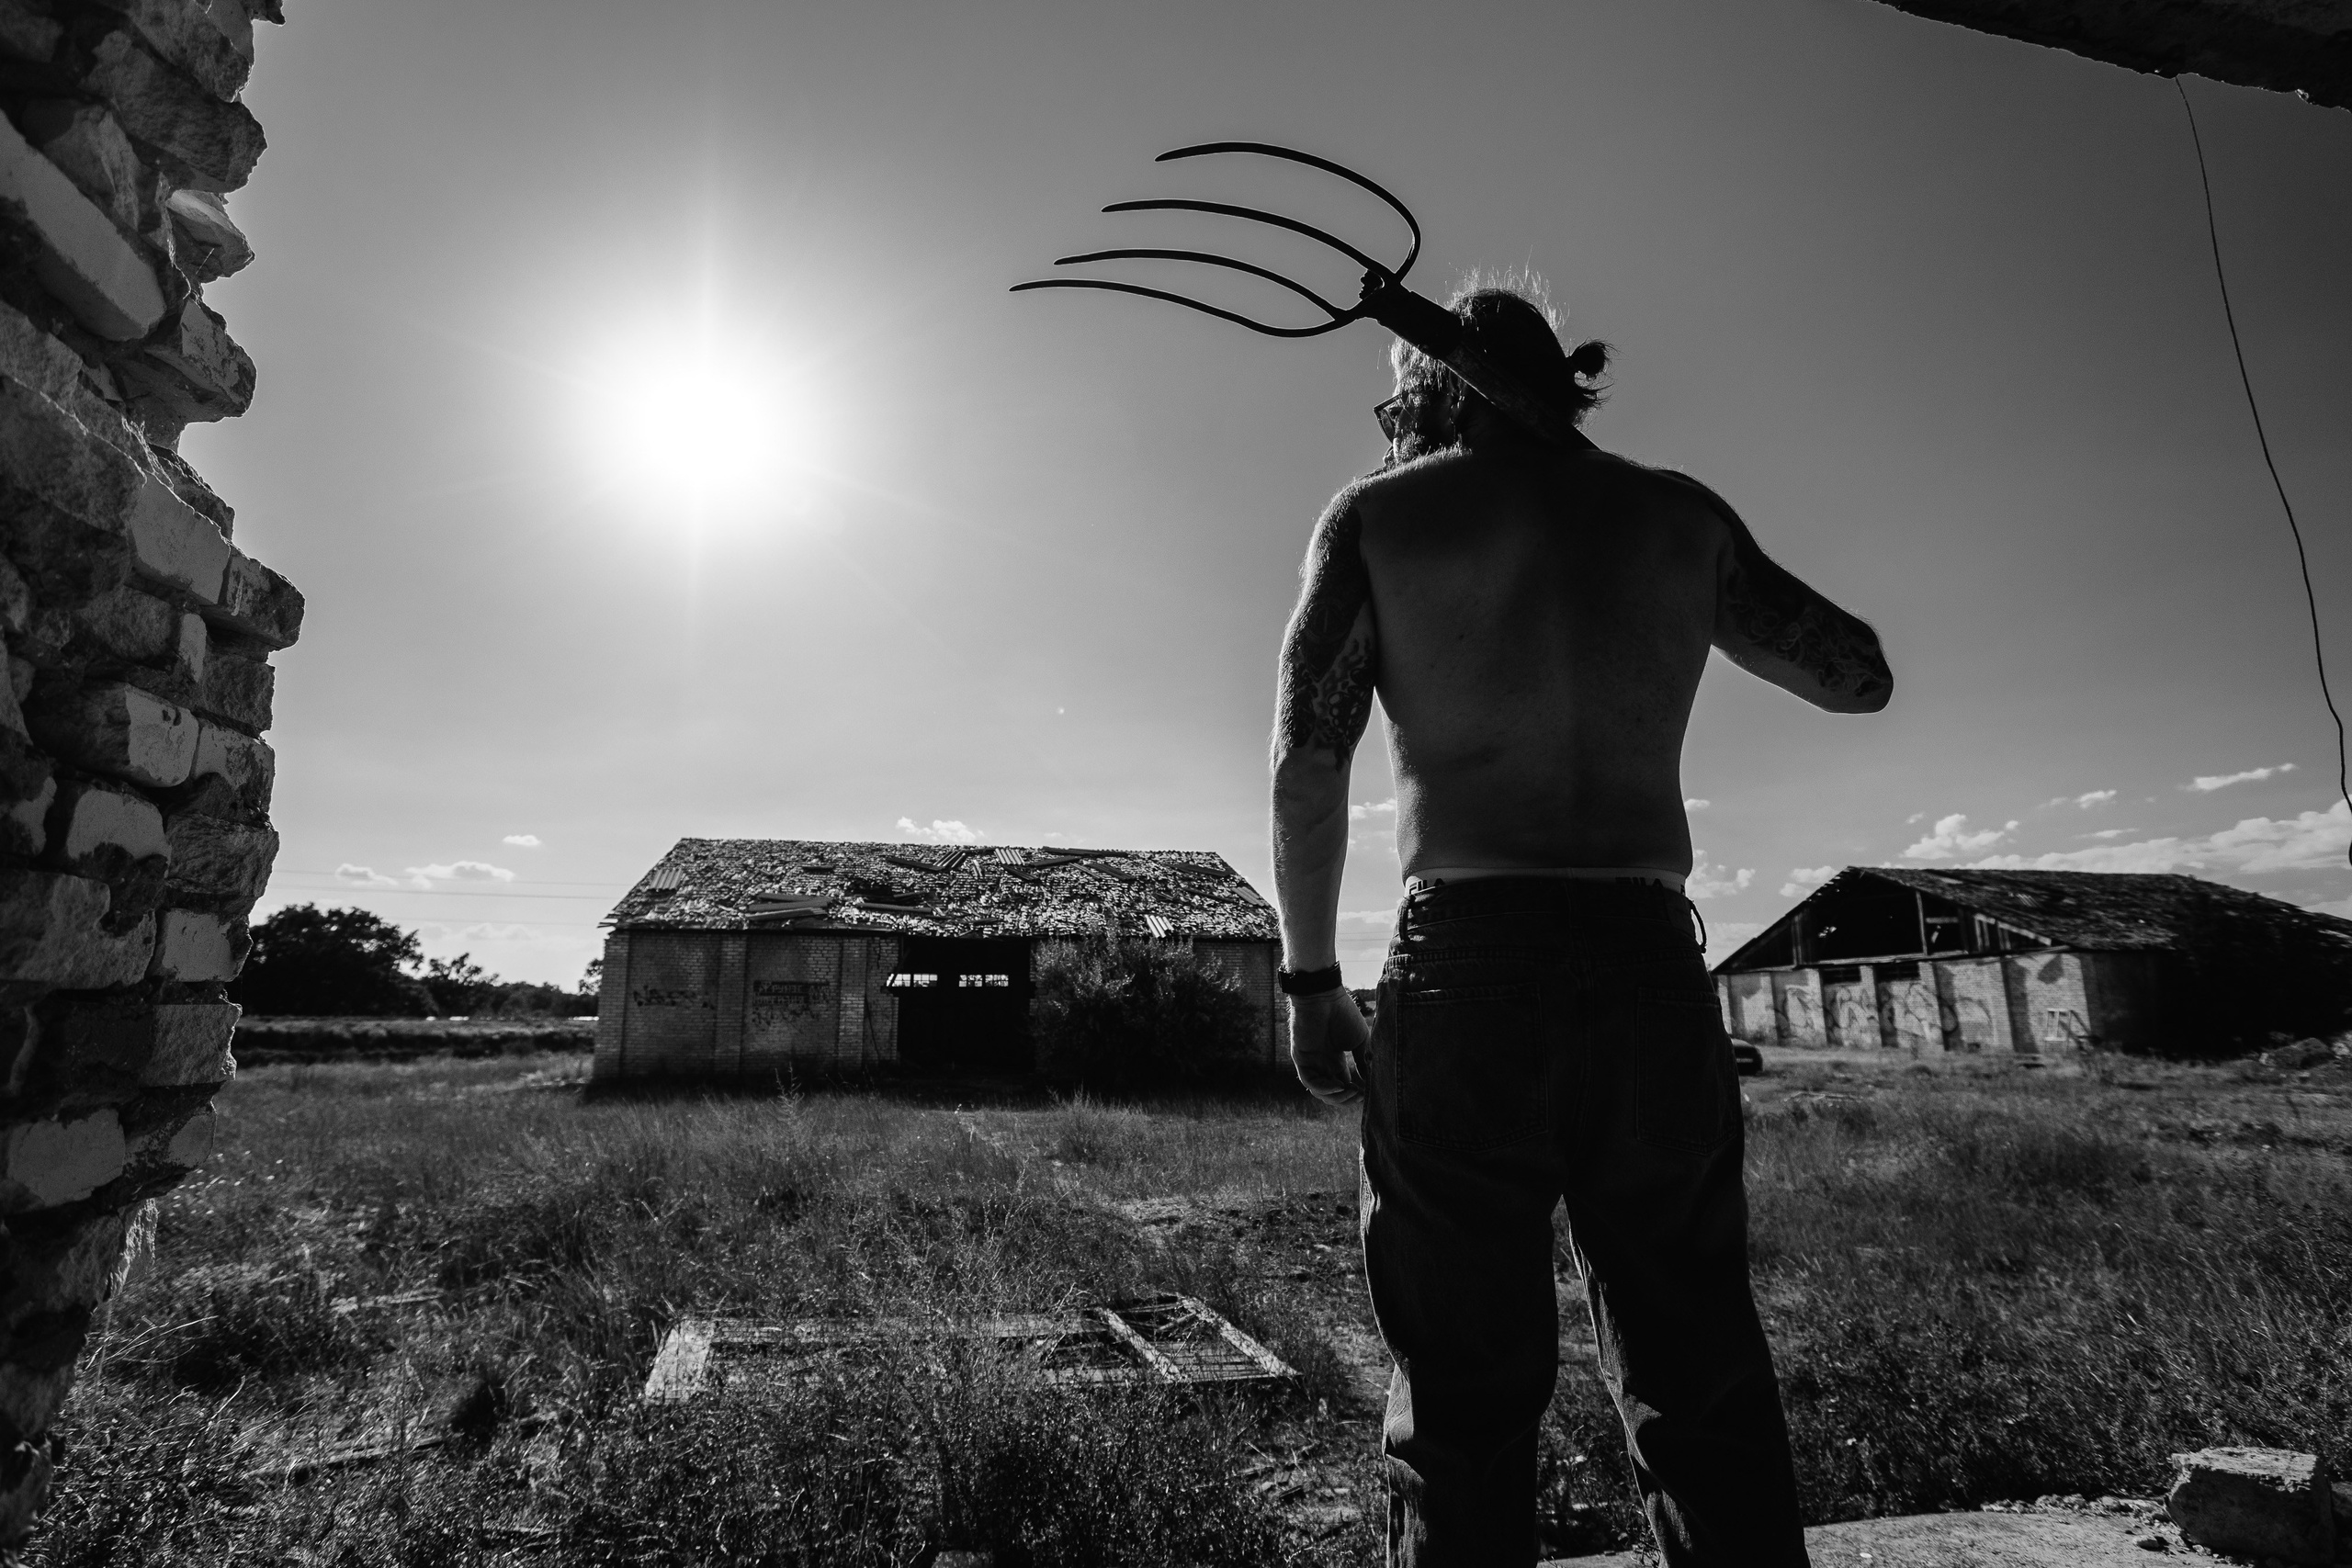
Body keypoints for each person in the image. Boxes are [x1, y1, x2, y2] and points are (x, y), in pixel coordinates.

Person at [1268, 278, 1891, 1567]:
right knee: (1698, 1368)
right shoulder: (1677, 516)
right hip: (1645, 968)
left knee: (1459, 1396)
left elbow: (1306, 763)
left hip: (1468, 969)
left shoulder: (1383, 516)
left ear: (1427, 395)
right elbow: (1857, 677)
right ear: (1565, 380)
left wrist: (1310, 977)